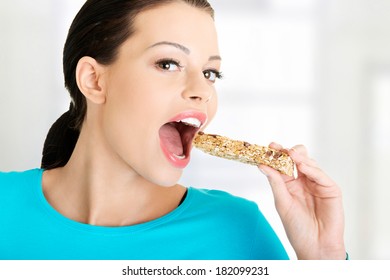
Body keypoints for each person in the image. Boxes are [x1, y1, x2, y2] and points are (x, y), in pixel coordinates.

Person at [0, 0, 346, 260]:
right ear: (94, 80)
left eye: (211, 73)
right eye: (168, 63)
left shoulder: (238, 230)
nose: (203, 90)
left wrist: (324, 258)